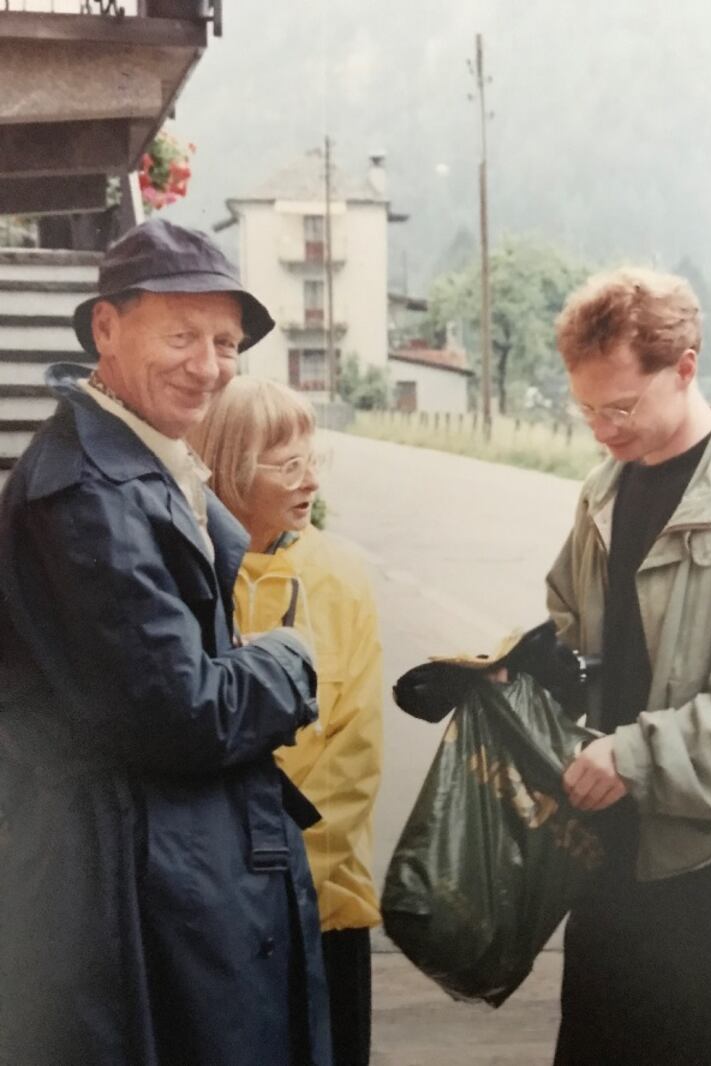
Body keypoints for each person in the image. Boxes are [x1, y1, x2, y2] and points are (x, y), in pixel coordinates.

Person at [0, 219, 332, 1066]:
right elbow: (180, 711)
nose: (209, 365)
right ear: (105, 328)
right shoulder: (85, 494)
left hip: (162, 871)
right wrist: (289, 662)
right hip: (123, 894)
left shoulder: (138, 459)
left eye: (225, 342)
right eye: (181, 334)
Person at [546, 267, 711, 1066]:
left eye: (620, 407)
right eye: (586, 409)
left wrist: (632, 754)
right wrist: (519, 676)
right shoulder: (602, 492)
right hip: (615, 846)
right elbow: (571, 626)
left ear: (685, 367)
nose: (602, 429)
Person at [190, 375, 383, 1066]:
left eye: (314, 462)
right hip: (215, 914)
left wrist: (284, 871)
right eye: (289, 466)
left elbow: (355, 756)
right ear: (232, 469)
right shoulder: (188, 573)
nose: (310, 484)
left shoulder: (342, 576)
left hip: (325, 905)